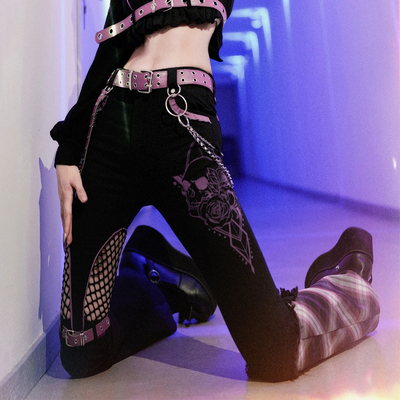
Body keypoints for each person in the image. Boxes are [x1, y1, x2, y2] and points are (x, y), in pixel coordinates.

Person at [51, 0, 380, 381]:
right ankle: (164, 282)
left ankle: (347, 275)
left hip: (183, 124)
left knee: (276, 353)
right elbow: (115, 42)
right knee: (82, 352)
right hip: (110, 125)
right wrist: (70, 148)